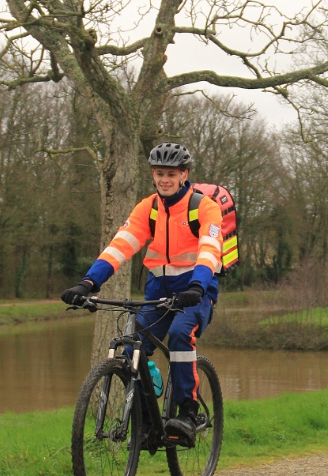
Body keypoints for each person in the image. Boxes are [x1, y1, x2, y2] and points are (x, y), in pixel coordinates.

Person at [61, 142, 223, 445]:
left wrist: (198, 285)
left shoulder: (203, 207)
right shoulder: (148, 208)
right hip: (158, 290)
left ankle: (188, 411)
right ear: (153, 175)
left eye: (171, 174)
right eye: (159, 173)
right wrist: (88, 283)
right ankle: (148, 422)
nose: (165, 179)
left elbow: (210, 249)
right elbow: (121, 246)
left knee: (180, 335)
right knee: (132, 344)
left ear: (184, 174)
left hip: (195, 290)